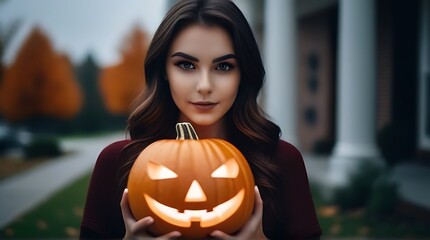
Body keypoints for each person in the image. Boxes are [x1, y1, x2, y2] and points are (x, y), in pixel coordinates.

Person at [80, 0, 322, 239]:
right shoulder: (116, 163)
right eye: (186, 65)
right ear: (164, 70)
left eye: (224, 67)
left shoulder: (282, 162)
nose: (204, 86)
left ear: (244, 73)